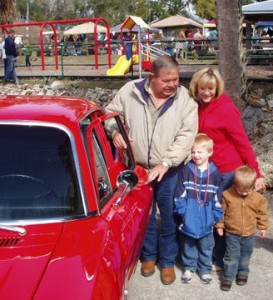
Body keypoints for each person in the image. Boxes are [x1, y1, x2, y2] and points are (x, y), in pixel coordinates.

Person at [106, 55, 198, 285]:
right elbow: (109, 114)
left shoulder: (185, 100)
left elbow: (187, 136)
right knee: (143, 216)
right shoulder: (130, 91)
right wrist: (114, 131)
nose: (173, 85)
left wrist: (166, 162)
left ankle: (167, 261)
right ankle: (148, 256)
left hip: (169, 169)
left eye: (176, 80)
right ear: (152, 77)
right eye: (167, 80)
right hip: (138, 169)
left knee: (168, 215)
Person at [188, 67, 265, 271]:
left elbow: (242, 142)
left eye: (211, 89)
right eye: (203, 88)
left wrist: (255, 171)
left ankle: (222, 258)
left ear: (217, 88)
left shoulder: (226, 108)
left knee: (223, 214)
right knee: (206, 210)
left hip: (227, 170)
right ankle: (208, 253)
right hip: (206, 167)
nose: (206, 93)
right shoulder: (195, 105)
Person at [174, 133, 223, 285]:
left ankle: (205, 269)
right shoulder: (186, 170)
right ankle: (189, 267)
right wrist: (182, 213)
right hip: (189, 218)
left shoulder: (216, 174)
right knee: (188, 245)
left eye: (199, 152)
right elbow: (179, 194)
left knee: (207, 246)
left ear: (210, 152)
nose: (195, 155)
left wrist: (215, 217)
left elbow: (217, 198)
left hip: (207, 219)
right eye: (193, 152)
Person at [215, 166, 269, 291]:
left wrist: (263, 227)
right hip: (232, 232)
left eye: (247, 191)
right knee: (231, 255)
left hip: (249, 233)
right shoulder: (227, 195)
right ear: (235, 184)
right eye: (241, 191)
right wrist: (220, 225)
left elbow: (262, 213)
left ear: (253, 186)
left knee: (245, 254)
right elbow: (220, 212)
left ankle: (243, 272)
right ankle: (228, 277)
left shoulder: (258, 198)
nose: (244, 193)